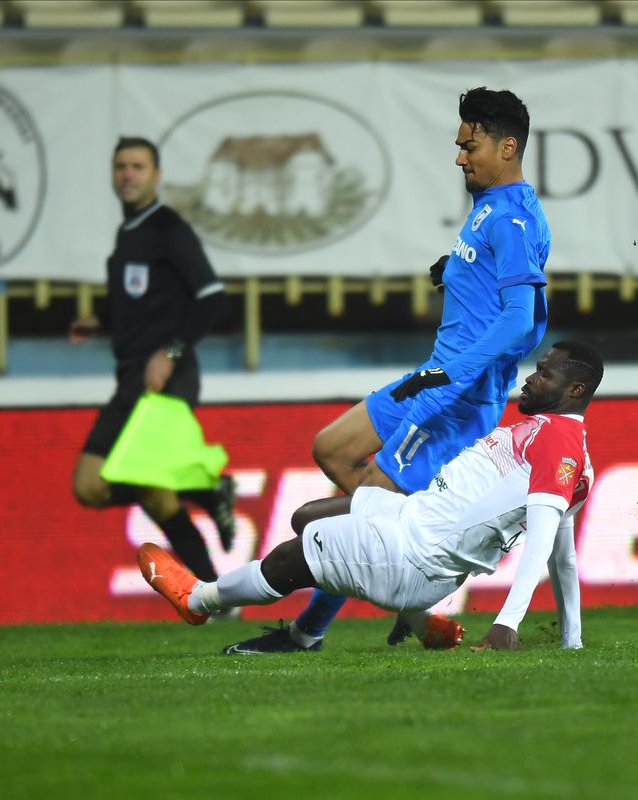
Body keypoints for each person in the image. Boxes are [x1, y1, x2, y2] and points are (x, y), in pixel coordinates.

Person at [225, 86, 552, 654]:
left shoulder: (513, 219)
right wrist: (455, 268)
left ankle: (318, 628)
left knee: (361, 510)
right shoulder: (490, 208)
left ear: (507, 146)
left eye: (468, 145)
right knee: (331, 449)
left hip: (453, 397)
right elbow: (494, 293)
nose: (458, 157)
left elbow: (522, 319)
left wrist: (458, 372)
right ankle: (408, 597)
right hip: (434, 378)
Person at [139, 341, 602, 652]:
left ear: (575, 390)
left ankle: (197, 599)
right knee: (307, 517)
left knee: (291, 557)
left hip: (413, 555)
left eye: (544, 374)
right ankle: (417, 618)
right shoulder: (555, 442)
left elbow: (544, 545)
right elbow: (565, 556)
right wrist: (571, 640)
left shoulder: (559, 445)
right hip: (410, 518)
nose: (530, 379)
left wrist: (507, 624)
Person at [71, 136, 236, 588]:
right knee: (156, 498)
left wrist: (170, 351)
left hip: (163, 379)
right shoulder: (129, 234)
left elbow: (213, 300)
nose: (128, 174)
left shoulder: (168, 229)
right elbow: (144, 302)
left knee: (90, 485)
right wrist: (100, 319)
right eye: (121, 166)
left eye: (138, 167)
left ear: (156, 175)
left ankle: (207, 489)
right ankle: (214, 595)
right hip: (136, 377)